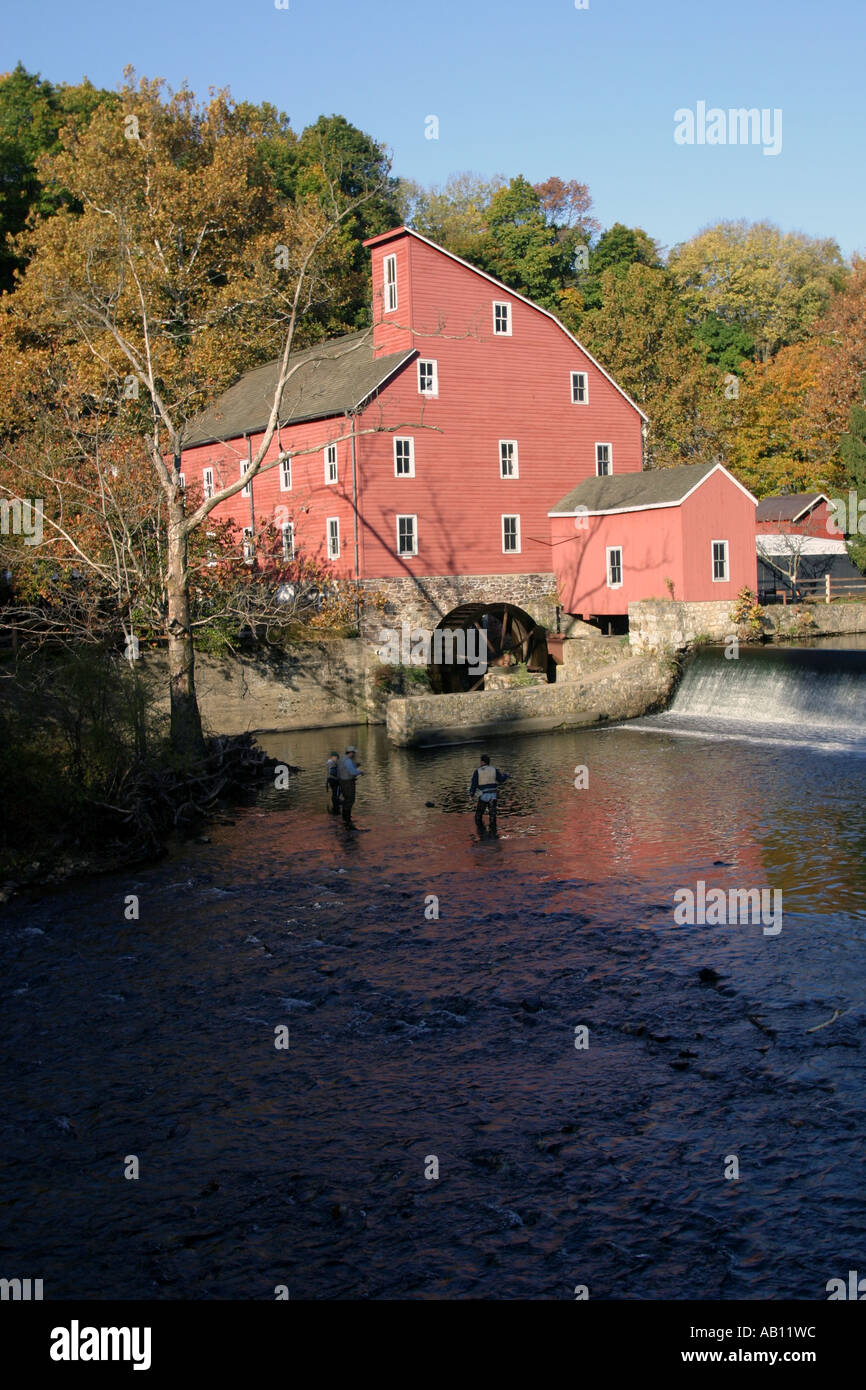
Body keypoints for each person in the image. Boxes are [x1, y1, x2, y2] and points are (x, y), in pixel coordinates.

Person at [469, 753, 509, 835]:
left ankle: (480, 831)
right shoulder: (494, 769)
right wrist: (506, 775)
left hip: (483, 796)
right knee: (492, 816)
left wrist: (471, 794)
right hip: (493, 796)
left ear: (482, 762)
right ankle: (493, 833)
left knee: (478, 816)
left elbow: (474, 784)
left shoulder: (477, 771)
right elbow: (501, 779)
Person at [336, 745, 363, 823]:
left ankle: (345, 818)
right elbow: (352, 772)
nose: (354, 754)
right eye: (354, 753)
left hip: (342, 782)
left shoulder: (341, 758)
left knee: (346, 799)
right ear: (351, 753)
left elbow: (344, 769)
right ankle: (347, 820)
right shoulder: (348, 760)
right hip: (348, 783)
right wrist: (360, 772)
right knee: (350, 800)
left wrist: (355, 765)